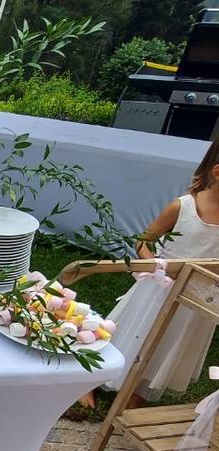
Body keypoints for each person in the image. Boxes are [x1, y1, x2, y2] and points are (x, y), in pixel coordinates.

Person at [81, 139, 219, 409]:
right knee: (131, 335)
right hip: (161, 288)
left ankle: (137, 394)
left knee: (172, 346)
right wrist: (153, 264)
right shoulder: (182, 207)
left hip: (200, 295)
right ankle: (90, 382)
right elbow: (143, 241)